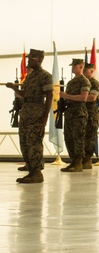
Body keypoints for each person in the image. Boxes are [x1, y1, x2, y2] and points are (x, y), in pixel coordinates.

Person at [5, 49, 53, 183]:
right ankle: (31, 170)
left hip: (37, 113)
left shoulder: (45, 76)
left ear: (37, 59)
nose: (27, 61)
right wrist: (14, 88)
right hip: (26, 112)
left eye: (30, 58)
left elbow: (49, 96)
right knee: (25, 142)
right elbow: (24, 94)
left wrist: (45, 116)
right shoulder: (30, 76)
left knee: (34, 143)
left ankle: (37, 173)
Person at [59, 58, 93, 173]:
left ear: (81, 67)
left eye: (75, 66)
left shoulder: (84, 81)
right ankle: (73, 161)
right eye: (72, 66)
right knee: (69, 138)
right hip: (70, 112)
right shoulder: (71, 82)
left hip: (79, 113)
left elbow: (83, 98)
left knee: (78, 138)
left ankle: (78, 162)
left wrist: (66, 96)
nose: (72, 68)